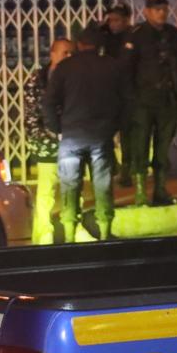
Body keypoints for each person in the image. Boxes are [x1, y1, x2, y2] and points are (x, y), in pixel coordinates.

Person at [44, 25, 128, 242]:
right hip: (101, 135)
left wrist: (57, 129)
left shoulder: (65, 68)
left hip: (71, 135)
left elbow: (50, 102)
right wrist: (114, 127)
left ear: (79, 44)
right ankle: (105, 231)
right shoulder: (112, 66)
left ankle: (70, 233)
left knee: (70, 186)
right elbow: (126, 100)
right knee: (102, 184)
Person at [124, 0, 177, 206]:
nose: (161, 13)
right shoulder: (137, 34)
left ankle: (160, 189)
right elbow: (127, 69)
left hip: (167, 100)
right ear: (146, 11)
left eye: (164, 9)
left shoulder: (173, 34)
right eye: (156, 9)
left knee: (163, 148)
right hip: (143, 101)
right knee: (140, 146)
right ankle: (141, 192)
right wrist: (131, 99)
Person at [25, 38, 75, 244]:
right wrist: (42, 137)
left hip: (71, 142)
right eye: (64, 53)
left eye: (72, 53)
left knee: (72, 187)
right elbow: (32, 114)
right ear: (53, 54)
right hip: (47, 143)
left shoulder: (75, 77)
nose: (68, 57)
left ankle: (73, 226)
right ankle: (44, 232)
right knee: (46, 190)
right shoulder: (37, 79)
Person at [101, 2, 135, 187]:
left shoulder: (132, 37)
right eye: (110, 20)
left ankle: (126, 171)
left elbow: (125, 63)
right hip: (109, 93)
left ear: (126, 20)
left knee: (127, 135)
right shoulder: (105, 36)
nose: (113, 24)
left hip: (128, 93)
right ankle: (113, 166)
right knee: (105, 132)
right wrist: (101, 27)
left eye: (117, 20)